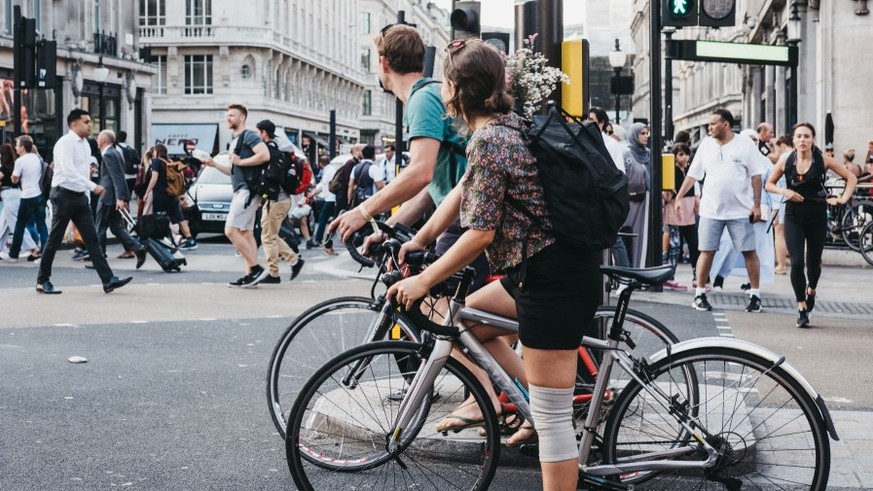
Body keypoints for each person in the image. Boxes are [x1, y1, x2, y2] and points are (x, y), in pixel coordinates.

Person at [387, 38, 599, 491]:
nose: (443, 91)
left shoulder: (491, 139)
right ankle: (527, 403)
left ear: (458, 89)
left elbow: (480, 232)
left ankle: (541, 411)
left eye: (446, 82)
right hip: (538, 274)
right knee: (455, 320)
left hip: (552, 283)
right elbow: (464, 187)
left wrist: (425, 278)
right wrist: (421, 238)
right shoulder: (507, 127)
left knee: (556, 425)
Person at [766, 123, 857, 327]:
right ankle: (801, 307)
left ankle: (811, 290)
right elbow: (769, 184)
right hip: (793, 216)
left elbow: (851, 177)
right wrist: (785, 192)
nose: (802, 140)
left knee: (813, 264)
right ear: (794, 139)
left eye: (806, 136)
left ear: (813, 139)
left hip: (817, 217)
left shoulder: (822, 160)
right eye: (798, 136)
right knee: (797, 262)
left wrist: (842, 199)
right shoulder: (785, 160)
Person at [34, 109, 132, 294]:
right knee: (55, 239)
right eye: (86, 122)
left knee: (92, 239)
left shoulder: (86, 144)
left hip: (79, 196)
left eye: (90, 121)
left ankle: (108, 279)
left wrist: (86, 193)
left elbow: (83, 171)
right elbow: (68, 170)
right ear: (74, 125)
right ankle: (42, 280)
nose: (90, 125)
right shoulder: (64, 143)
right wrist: (92, 186)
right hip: (63, 194)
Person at [674, 109, 764, 313]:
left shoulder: (745, 144)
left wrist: (756, 205)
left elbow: (756, 176)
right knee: (706, 251)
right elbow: (693, 174)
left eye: (713, 124)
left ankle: (755, 295)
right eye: (709, 124)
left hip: (740, 210)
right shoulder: (706, 145)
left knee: (749, 252)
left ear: (726, 124)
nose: (709, 128)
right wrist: (679, 197)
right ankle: (699, 294)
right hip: (711, 210)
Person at [200, 104, 270, 287]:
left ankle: (255, 269)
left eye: (232, 115)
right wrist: (213, 165)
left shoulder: (249, 135)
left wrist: (241, 161)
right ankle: (250, 275)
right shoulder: (236, 140)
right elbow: (233, 170)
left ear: (242, 118)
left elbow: (265, 155)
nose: (228, 118)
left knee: (230, 230)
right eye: (227, 115)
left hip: (247, 191)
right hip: (242, 189)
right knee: (246, 233)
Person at [255, 119, 304, 284]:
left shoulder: (271, 150)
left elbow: (271, 176)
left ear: (263, 132)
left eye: (258, 133)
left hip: (276, 199)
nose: (257, 136)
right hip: (282, 199)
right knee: (269, 234)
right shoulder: (283, 148)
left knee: (268, 236)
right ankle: (294, 260)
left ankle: (274, 273)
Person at [93, 130, 146, 268]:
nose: (97, 140)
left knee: (100, 227)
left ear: (104, 140)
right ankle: (138, 248)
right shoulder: (115, 152)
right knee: (116, 227)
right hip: (113, 196)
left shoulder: (109, 154)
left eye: (98, 138)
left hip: (107, 195)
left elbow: (117, 177)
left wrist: (120, 198)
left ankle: (99, 260)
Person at [587, 107, 629, 267]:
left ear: (601, 123)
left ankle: (624, 278)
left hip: (607, 197)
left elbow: (620, 173)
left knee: (615, 238)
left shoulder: (611, 144)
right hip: (592, 198)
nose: (587, 122)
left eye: (591, 119)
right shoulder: (585, 140)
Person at [143, 144, 197, 250]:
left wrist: (146, 192)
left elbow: (154, 178)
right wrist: (181, 197)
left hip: (161, 196)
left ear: (157, 152)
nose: (152, 153)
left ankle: (165, 242)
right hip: (172, 196)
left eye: (154, 151)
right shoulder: (169, 162)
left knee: (160, 219)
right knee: (179, 218)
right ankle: (190, 240)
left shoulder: (156, 162)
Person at [661, 142, 699, 290]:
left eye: (686, 154)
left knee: (694, 245)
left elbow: (695, 191)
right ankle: (669, 277)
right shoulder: (671, 171)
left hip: (688, 213)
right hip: (674, 213)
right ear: (675, 156)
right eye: (681, 154)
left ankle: (698, 277)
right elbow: (667, 196)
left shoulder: (688, 170)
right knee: (674, 247)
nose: (684, 157)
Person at [0, 136, 44, 262]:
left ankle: (33, 248)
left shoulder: (6, 167)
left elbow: (12, 178)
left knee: (15, 224)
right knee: (4, 224)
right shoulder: (15, 163)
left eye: (17, 145)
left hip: (10, 196)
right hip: (17, 195)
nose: (15, 147)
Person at [624, 122, 650, 267]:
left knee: (644, 236)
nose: (646, 136)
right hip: (630, 202)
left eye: (647, 133)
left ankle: (641, 267)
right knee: (630, 236)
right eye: (642, 133)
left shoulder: (648, 154)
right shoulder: (626, 153)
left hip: (646, 202)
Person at [307, 155, 336, 250]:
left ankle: (319, 240)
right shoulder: (330, 170)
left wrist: (313, 193)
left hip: (330, 198)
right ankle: (325, 240)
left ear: (321, 164)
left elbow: (324, 186)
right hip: (331, 198)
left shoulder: (328, 171)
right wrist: (314, 192)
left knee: (323, 219)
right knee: (328, 219)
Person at [348, 144, 384, 208]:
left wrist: (350, 201)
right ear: (373, 155)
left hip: (358, 200)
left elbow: (350, 186)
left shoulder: (355, 167)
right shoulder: (374, 168)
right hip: (371, 201)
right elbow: (380, 186)